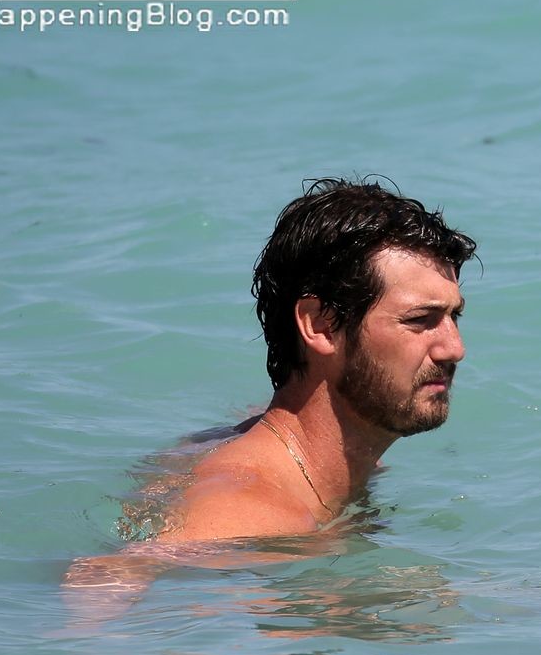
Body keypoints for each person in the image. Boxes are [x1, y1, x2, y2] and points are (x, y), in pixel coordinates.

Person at [145, 177, 476, 542]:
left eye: (454, 316)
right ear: (320, 325)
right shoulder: (245, 518)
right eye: (420, 319)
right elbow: (121, 573)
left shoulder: (345, 459)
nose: (455, 348)